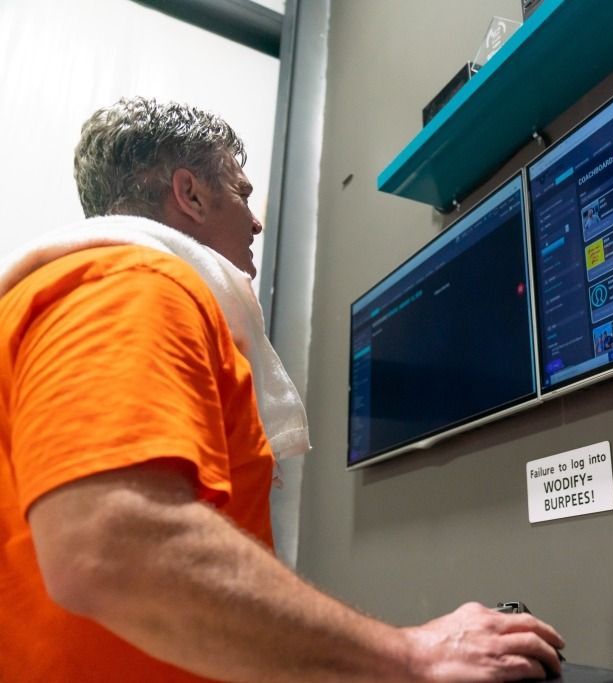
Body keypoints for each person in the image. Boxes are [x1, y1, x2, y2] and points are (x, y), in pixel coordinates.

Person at [0, 97, 563, 682]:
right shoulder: (133, 287)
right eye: (242, 193)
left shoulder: (80, 295)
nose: (257, 220)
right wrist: (413, 656)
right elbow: (113, 548)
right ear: (189, 194)